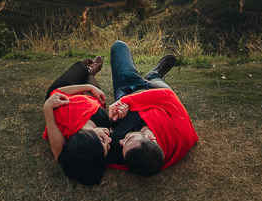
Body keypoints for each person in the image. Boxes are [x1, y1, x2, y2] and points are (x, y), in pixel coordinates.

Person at [103, 40, 198, 177]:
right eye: (127, 140)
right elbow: (168, 97)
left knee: (119, 46)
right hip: (157, 92)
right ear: (150, 138)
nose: (121, 141)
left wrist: (113, 117)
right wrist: (127, 102)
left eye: (122, 145)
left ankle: (153, 76)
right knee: (159, 85)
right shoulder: (181, 136)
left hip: (129, 87)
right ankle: (154, 75)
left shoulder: (126, 150)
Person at [42, 56, 112, 185]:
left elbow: (59, 156)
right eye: (107, 146)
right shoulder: (103, 134)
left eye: (103, 140)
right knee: (90, 78)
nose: (110, 139)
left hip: (65, 90)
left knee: (79, 67)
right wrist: (92, 89)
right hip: (93, 97)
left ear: (86, 138)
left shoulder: (63, 119)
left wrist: (47, 108)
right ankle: (91, 71)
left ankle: (87, 67)